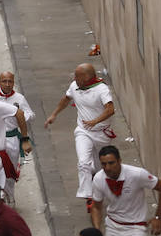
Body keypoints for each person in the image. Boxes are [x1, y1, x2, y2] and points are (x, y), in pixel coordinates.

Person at [42, 63, 116, 208]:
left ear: (87, 77)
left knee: (100, 167)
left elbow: (110, 109)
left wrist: (95, 121)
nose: (74, 78)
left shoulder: (102, 89)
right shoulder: (74, 86)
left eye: (77, 75)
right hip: (83, 131)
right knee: (83, 163)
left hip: (102, 134)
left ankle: (99, 186)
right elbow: (66, 99)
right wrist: (54, 114)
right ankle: (88, 194)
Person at [0, 71, 35, 202]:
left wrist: (20, 116)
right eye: (4, 81)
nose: (7, 84)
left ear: (13, 82)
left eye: (10, 81)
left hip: (12, 139)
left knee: (10, 170)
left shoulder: (19, 98)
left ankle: (9, 195)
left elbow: (31, 114)